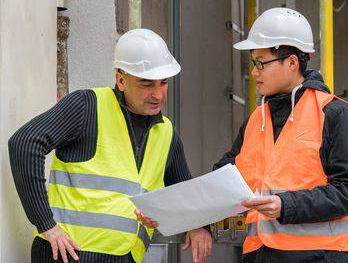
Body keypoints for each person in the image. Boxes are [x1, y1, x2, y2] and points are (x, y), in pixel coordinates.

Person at [8, 28, 212, 263]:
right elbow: (24, 143)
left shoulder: (166, 133)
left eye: (164, 82)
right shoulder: (87, 107)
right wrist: (46, 224)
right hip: (68, 255)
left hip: (124, 257)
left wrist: (197, 226)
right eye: (147, 84)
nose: (158, 94)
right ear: (121, 80)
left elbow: (184, 193)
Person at [213, 7, 348, 263]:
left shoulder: (334, 114)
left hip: (317, 258)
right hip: (258, 256)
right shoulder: (256, 120)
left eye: (261, 63)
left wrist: (286, 205)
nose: (254, 72)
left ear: (293, 62)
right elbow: (222, 179)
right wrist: (182, 216)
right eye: (253, 63)